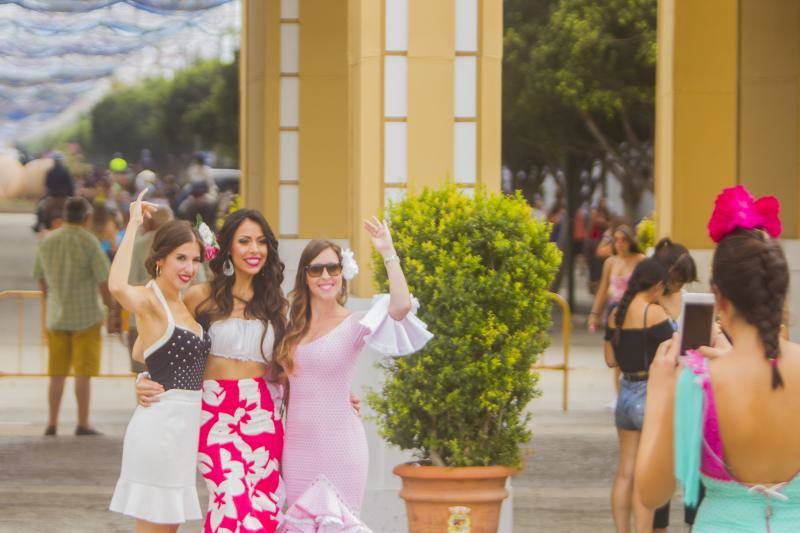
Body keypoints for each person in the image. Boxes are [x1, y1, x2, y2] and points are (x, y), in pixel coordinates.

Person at [134, 210, 366, 532]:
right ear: (228, 247)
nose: (253, 249)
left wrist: (339, 396)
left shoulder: (277, 305)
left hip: (264, 414)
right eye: (244, 241)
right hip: (215, 414)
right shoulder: (201, 296)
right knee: (230, 502)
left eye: (260, 242)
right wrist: (143, 381)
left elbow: (294, 365)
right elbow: (154, 348)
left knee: (264, 511)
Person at [636, 186, 800, 532]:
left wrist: (662, 392)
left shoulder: (698, 381)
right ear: (779, 289)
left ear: (718, 298)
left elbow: (652, 493)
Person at [277, 218, 433, 530]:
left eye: (333, 268)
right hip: (296, 447)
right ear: (305, 276)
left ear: (342, 274)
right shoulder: (290, 326)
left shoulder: (356, 323)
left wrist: (388, 250)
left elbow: (401, 307)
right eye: (316, 269)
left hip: (340, 447)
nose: (325, 276)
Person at [109, 191, 211, 530]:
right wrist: (134, 223)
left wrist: (142, 379)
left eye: (195, 260)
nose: (189, 268)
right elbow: (117, 285)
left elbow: (143, 353)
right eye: (181, 258)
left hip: (183, 434)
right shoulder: (151, 301)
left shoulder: (185, 306)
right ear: (161, 260)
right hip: (161, 431)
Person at [604, 258, 673, 533]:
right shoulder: (655, 314)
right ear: (657, 286)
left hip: (625, 393)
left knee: (625, 472)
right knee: (646, 475)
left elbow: (610, 359)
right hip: (650, 394)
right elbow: (676, 353)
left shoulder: (615, 314)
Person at [32, 196, 110, 436]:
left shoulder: (47, 241)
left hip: (56, 316)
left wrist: (49, 296)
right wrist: (111, 308)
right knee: (82, 374)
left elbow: (39, 275)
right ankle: (82, 422)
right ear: (86, 218)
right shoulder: (90, 242)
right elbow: (102, 278)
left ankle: (52, 422)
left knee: (56, 374)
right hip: (86, 316)